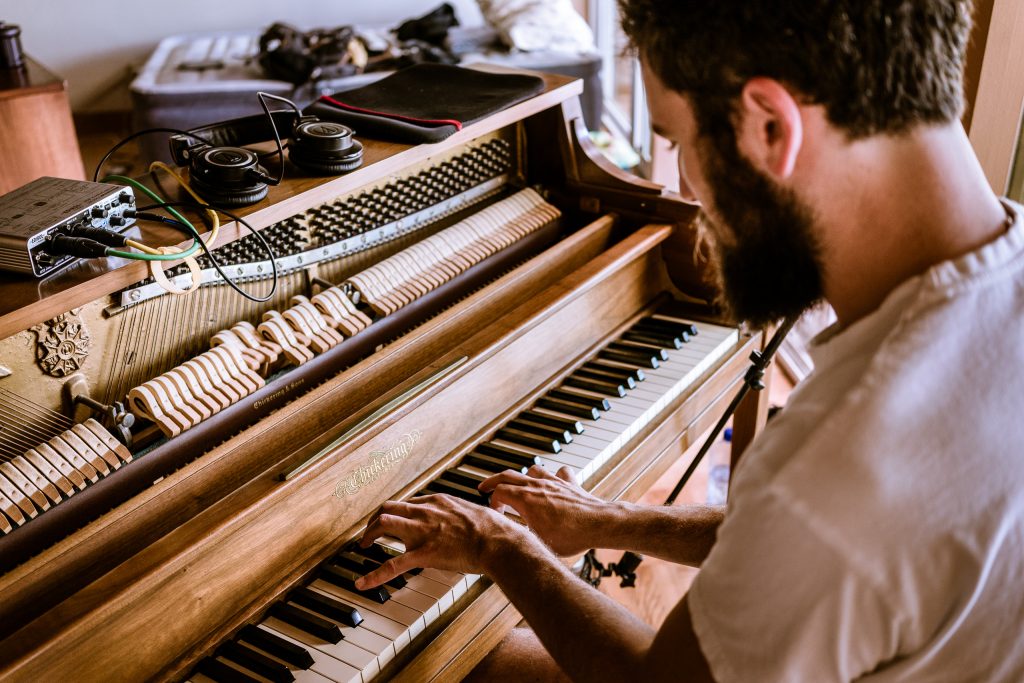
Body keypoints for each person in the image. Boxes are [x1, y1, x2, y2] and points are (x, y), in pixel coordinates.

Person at [357, 1, 1024, 680]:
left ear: (770, 126)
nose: (683, 186)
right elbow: (813, 544)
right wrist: (611, 520)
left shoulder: (846, 459)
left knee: (468, 668)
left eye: (678, 141)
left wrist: (500, 544)